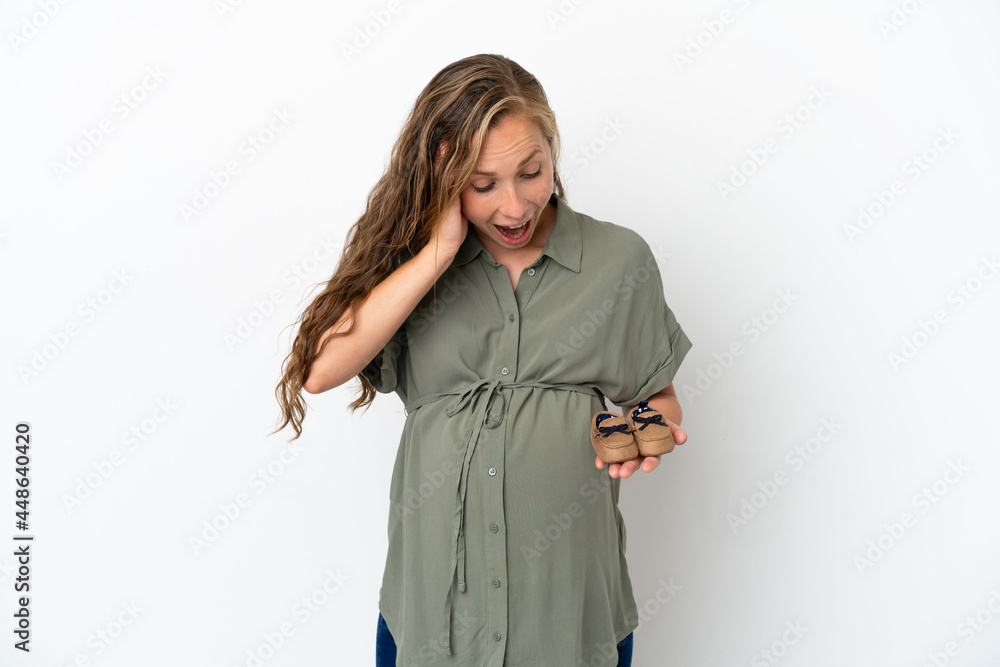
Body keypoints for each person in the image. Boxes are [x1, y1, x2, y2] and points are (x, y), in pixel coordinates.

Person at [273, 53, 693, 666]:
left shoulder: (617, 262)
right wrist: (438, 251)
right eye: (483, 185)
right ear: (445, 179)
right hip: (433, 622)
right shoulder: (414, 267)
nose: (516, 207)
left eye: (532, 171)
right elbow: (319, 369)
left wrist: (651, 432)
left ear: (553, 149)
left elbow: (656, 397)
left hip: (568, 617)